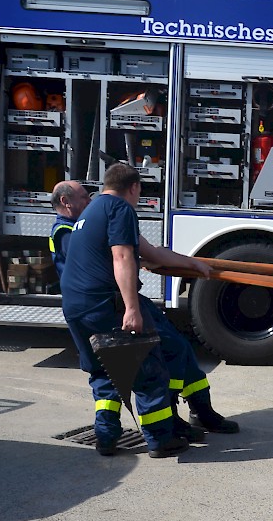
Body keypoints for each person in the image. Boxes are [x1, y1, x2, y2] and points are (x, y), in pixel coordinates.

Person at [52, 178, 238, 439]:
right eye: (83, 196)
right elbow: (117, 257)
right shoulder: (73, 228)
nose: (88, 199)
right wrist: (132, 305)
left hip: (83, 305)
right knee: (156, 361)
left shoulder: (89, 217)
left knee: (106, 369)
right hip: (106, 302)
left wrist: (191, 263)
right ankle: (167, 430)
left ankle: (108, 435)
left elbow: (145, 252)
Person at [49, 180, 92, 278]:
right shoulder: (65, 232)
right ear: (65, 201)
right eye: (84, 197)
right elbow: (86, 265)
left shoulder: (75, 225)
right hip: (80, 290)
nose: (89, 201)